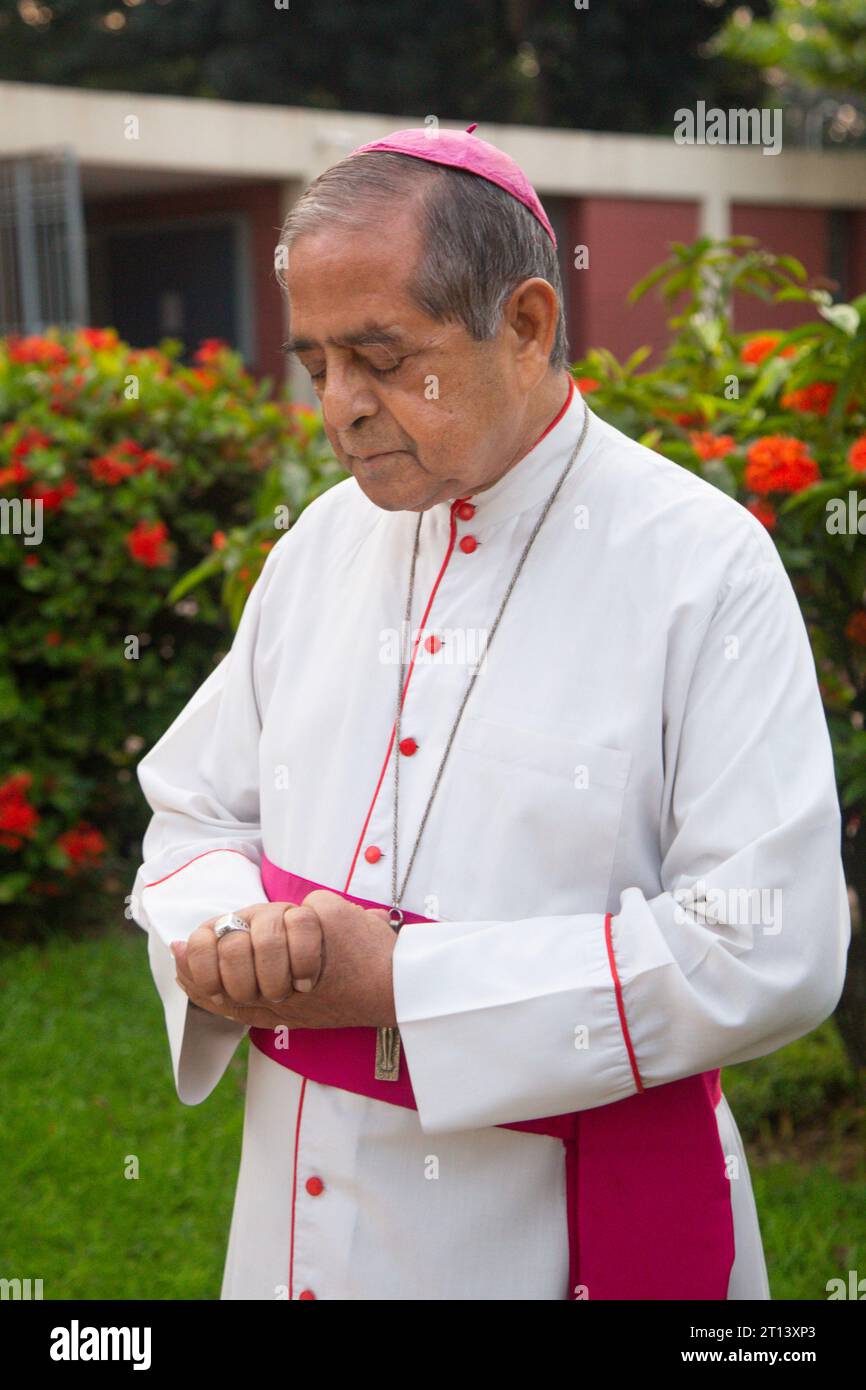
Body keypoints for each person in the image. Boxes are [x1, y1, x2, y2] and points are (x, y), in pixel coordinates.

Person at [130, 126, 850, 1301]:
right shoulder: (319, 544)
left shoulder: (698, 565)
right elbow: (193, 811)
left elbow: (767, 942)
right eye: (315, 364)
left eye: (379, 357)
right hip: (294, 1212)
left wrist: (405, 981)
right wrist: (229, 937)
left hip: (548, 1232)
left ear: (522, 323)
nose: (340, 410)